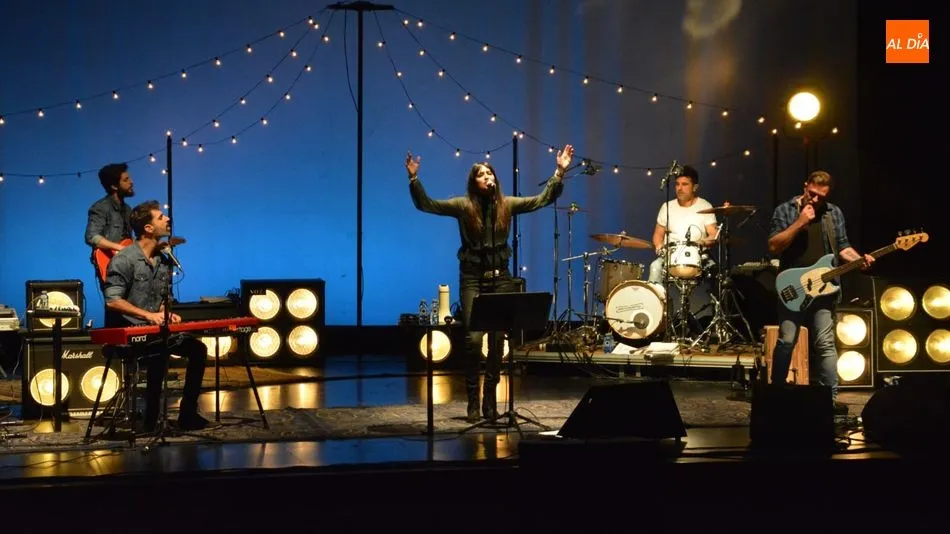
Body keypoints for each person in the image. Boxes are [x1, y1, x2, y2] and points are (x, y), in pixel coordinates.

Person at [407, 144, 574, 422]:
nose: (487, 177)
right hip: (472, 278)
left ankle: (489, 402)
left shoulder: (506, 205)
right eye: (481, 174)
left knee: (497, 342)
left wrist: (559, 172)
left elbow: (541, 200)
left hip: (501, 279)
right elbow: (428, 205)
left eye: (490, 173)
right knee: (473, 340)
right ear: (474, 182)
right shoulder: (463, 206)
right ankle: (472, 401)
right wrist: (414, 179)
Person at [767, 171, 874, 409]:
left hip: (825, 288)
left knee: (825, 343)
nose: (815, 200)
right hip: (793, 287)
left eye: (821, 197)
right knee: (787, 341)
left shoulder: (833, 213)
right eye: (812, 194)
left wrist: (859, 260)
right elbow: (774, 246)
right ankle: (776, 394)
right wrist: (800, 223)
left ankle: (829, 399)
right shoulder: (785, 210)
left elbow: (843, 247)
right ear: (805, 186)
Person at [104, 200, 208, 431]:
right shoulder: (124, 259)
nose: (167, 218)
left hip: (156, 331)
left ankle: (187, 415)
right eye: (161, 217)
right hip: (131, 333)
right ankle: (150, 419)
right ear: (148, 228)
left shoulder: (163, 261)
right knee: (158, 349)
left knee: (198, 349)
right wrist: (148, 316)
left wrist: (164, 312)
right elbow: (112, 300)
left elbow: (162, 298)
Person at [649, 165, 719, 283]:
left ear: (695, 187)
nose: (679, 188)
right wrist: (659, 246)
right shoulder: (667, 206)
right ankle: (656, 295)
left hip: (699, 257)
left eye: (684, 184)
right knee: (655, 267)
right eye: (677, 184)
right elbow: (658, 234)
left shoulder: (705, 205)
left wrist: (703, 242)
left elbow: (714, 235)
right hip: (671, 257)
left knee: (716, 274)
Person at [85, 162, 135, 275]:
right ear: (114, 186)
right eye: (126, 180)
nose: (131, 182)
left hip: (127, 265)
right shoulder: (100, 207)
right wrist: (119, 247)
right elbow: (91, 236)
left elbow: (130, 240)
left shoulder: (128, 209)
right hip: (111, 265)